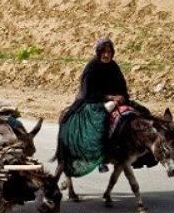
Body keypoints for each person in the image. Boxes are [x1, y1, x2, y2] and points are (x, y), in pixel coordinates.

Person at [58, 38, 142, 175]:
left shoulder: (114, 66)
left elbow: (122, 87)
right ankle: (101, 158)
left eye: (109, 52)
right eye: (104, 52)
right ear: (99, 53)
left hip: (116, 101)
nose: (107, 55)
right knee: (100, 121)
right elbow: (87, 93)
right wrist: (109, 97)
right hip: (93, 102)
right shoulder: (92, 68)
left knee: (140, 112)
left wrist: (121, 97)